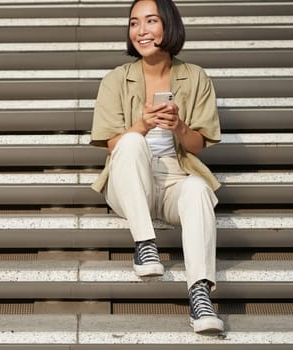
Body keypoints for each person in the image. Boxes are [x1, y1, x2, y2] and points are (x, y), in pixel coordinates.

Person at [89, 0, 224, 334]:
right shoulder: (115, 79)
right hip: (128, 185)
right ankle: (145, 245)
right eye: (134, 23)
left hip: (174, 180)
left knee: (197, 189)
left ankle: (200, 295)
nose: (141, 31)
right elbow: (112, 146)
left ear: (169, 26)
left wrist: (178, 126)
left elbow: (199, 145)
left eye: (151, 21)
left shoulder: (195, 77)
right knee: (132, 142)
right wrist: (143, 125)